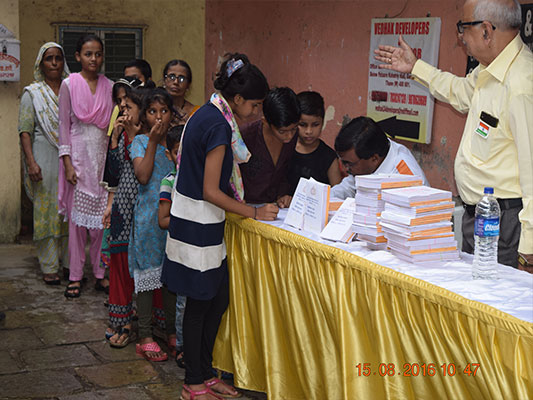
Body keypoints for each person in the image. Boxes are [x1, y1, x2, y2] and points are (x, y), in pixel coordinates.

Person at [374, 0, 532, 268]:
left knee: (495, 305)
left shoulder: (522, 84)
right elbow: (459, 91)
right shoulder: (489, 70)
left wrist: (528, 248)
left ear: (486, 30)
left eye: (463, 27)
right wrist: (415, 67)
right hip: (479, 217)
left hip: (505, 225)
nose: (460, 36)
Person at [161, 53, 278, 400]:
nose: (256, 113)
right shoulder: (216, 125)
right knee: (200, 304)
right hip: (198, 223)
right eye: (255, 105)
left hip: (198, 221)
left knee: (217, 299)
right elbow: (211, 190)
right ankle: (192, 383)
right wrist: (252, 213)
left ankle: (206, 373)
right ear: (237, 99)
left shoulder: (209, 113)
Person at [58, 34, 114, 298]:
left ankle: (101, 274)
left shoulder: (111, 86)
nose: (94, 59)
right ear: (78, 56)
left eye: (98, 54)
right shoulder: (69, 84)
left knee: (103, 221)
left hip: (102, 158)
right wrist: (67, 163)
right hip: (78, 158)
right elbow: (64, 127)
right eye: (89, 54)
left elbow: (113, 129)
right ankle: (76, 276)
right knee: (78, 225)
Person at [130, 88, 177, 362]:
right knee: (147, 276)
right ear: (145, 116)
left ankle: (171, 330)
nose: (159, 117)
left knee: (170, 274)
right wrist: (152, 143)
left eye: (164, 111)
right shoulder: (139, 142)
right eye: (152, 111)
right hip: (148, 219)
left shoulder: (175, 142)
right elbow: (144, 176)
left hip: (172, 216)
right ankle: (144, 335)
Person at [19, 42, 70, 286]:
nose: (54, 63)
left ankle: (71, 263)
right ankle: (49, 265)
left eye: (58, 58)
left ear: (63, 62)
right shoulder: (33, 93)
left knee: (69, 210)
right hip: (43, 156)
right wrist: (31, 162)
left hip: (70, 157)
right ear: (41, 63)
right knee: (47, 210)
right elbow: (25, 131)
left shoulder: (72, 89)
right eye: (49, 58)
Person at [102, 85, 144, 347]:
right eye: (121, 107)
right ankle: (123, 320)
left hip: (143, 211)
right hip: (123, 210)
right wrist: (116, 139)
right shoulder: (122, 136)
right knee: (120, 265)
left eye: (128, 107)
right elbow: (114, 175)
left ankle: (144, 322)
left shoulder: (148, 138)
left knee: (142, 266)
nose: (123, 111)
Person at [331, 116, 428, 199]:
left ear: (374, 158)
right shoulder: (367, 156)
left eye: (349, 164)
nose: (345, 168)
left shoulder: (406, 179)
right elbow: (348, 187)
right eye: (343, 162)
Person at [239, 87, 300, 207]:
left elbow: (284, 171)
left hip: (274, 207)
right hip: (245, 208)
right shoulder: (244, 137)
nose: (289, 136)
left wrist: (283, 196)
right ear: (265, 122)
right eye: (282, 132)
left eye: (293, 129)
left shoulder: (293, 136)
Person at [157, 125, 186, 367]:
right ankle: (181, 346)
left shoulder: (199, 178)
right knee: (182, 302)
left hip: (196, 250)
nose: (183, 157)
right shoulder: (169, 182)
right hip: (178, 250)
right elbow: (163, 220)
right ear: (169, 155)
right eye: (178, 152)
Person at [287, 91, 342, 194]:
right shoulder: (285, 149)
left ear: (322, 122)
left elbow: (337, 194)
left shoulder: (329, 157)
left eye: (315, 124)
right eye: (303, 125)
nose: (309, 131)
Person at [162, 59, 199, 126]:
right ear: (164, 81)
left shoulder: (197, 113)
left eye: (181, 78)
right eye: (171, 77)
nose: (176, 82)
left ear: (188, 85)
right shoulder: (156, 109)